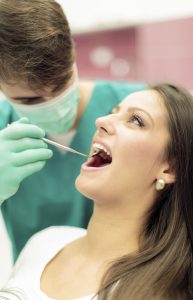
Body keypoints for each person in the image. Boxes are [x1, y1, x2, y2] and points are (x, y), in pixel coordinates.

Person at [1, 83, 193, 300]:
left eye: (136, 120)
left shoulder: (158, 292)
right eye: (112, 112)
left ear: (170, 168)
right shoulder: (44, 242)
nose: (101, 121)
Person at [0, 0, 145, 260]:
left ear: (74, 55)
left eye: (62, 85)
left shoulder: (137, 106)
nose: (53, 106)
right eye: (30, 100)